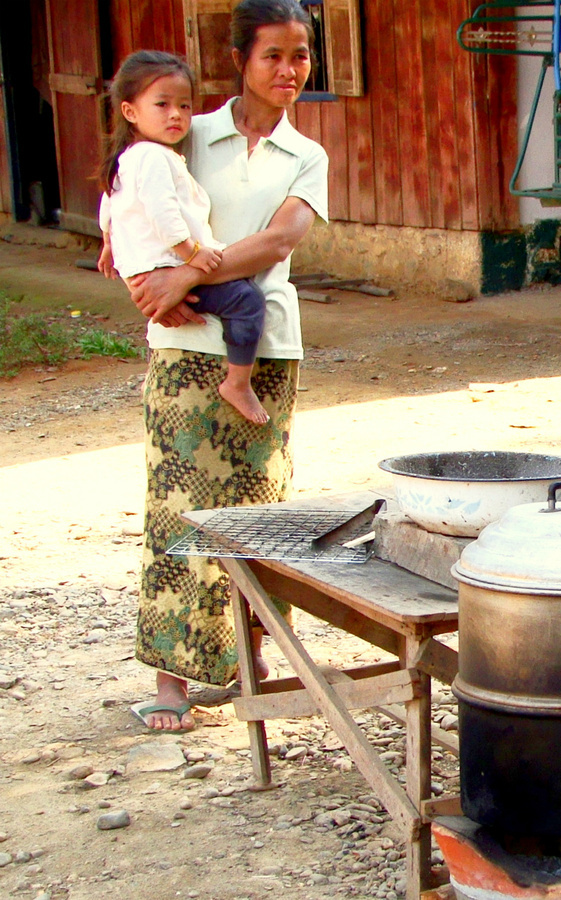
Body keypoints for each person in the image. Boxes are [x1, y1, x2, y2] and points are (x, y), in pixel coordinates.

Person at [101, 0, 328, 732]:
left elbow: (278, 240)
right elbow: (129, 190)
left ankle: (247, 657)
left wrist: (185, 275)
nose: (289, 70)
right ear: (242, 58)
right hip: (184, 343)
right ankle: (171, 678)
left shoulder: (306, 155)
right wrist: (130, 260)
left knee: (258, 515)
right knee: (178, 509)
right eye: (273, 55)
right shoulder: (183, 129)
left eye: (301, 55)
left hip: (264, 347)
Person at [98, 51, 269, 425]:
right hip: (169, 264)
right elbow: (163, 213)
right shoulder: (154, 158)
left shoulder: (129, 157)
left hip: (148, 268)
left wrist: (109, 241)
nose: (176, 114)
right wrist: (191, 253)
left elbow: (111, 201)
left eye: (185, 105)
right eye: (162, 105)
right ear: (130, 112)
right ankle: (237, 382)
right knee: (247, 301)